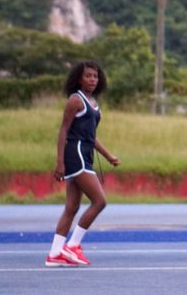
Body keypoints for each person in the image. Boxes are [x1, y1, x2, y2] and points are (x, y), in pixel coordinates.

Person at [45, 61, 120, 267]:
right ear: (79, 78)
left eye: (95, 76)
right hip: (75, 153)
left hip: (86, 153)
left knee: (72, 207)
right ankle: (73, 246)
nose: (92, 80)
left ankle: (54, 254)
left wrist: (108, 156)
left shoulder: (94, 104)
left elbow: (91, 136)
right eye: (88, 76)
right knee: (100, 201)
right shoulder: (76, 101)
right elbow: (63, 131)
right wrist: (59, 162)